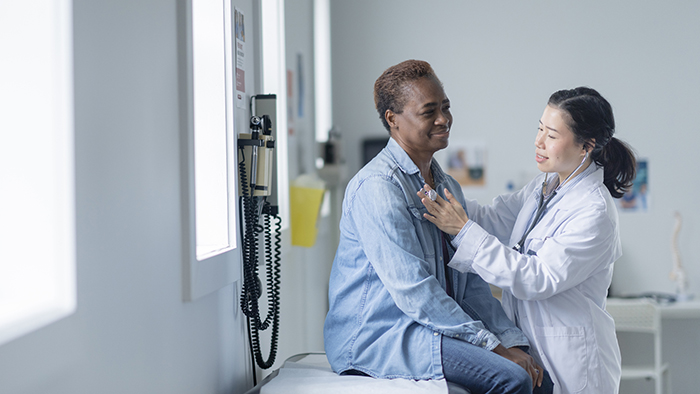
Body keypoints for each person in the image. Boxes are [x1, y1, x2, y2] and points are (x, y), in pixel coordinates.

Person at [324, 59, 554, 394]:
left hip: (430, 327)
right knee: (511, 378)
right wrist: (493, 348)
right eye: (429, 111)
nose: (443, 119)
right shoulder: (377, 187)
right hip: (379, 335)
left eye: (445, 107)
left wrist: (511, 342)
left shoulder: (447, 186)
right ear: (393, 120)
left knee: (540, 379)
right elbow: (414, 290)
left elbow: (470, 285)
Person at [419, 87, 634, 394]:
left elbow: (537, 278)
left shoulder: (594, 212)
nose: (538, 141)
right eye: (539, 129)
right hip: (533, 353)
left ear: (587, 145)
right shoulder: (544, 186)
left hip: (574, 365)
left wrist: (463, 230)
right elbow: (493, 219)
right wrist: (440, 192)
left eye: (552, 135)